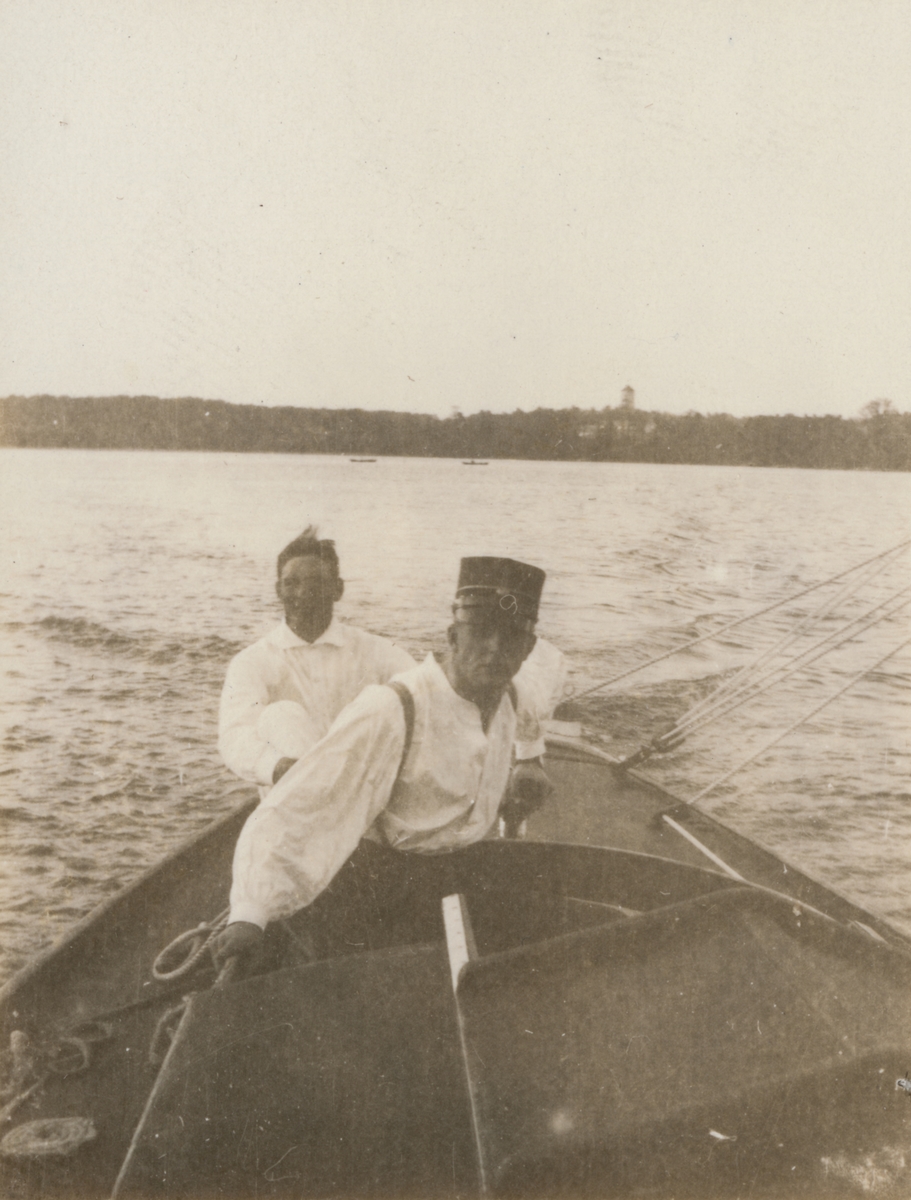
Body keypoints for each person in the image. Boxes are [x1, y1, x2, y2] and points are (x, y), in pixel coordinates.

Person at [213, 555, 554, 973]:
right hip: (380, 885)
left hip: (461, 869)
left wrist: (531, 759)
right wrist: (251, 913)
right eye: (481, 633)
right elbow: (303, 804)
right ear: (453, 636)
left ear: (528, 648)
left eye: (512, 638)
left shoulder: (511, 693)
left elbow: (537, 695)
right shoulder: (394, 709)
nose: (495, 650)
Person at [218, 528, 415, 797]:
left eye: (316, 582)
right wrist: (280, 767)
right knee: (279, 715)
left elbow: (423, 699)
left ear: (338, 589)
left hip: (363, 797)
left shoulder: (378, 652)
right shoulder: (252, 662)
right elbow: (236, 734)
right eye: (291, 583)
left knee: (386, 699)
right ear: (278, 590)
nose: (303, 593)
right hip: (294, 799)